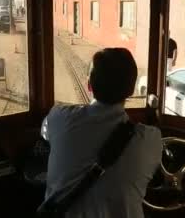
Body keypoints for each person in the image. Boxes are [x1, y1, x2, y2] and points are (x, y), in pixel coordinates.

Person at [41, 48, 162, 217]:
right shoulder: (151, 140)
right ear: (131, 90)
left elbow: (45, 133)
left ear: (89, 85)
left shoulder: (59, 118)